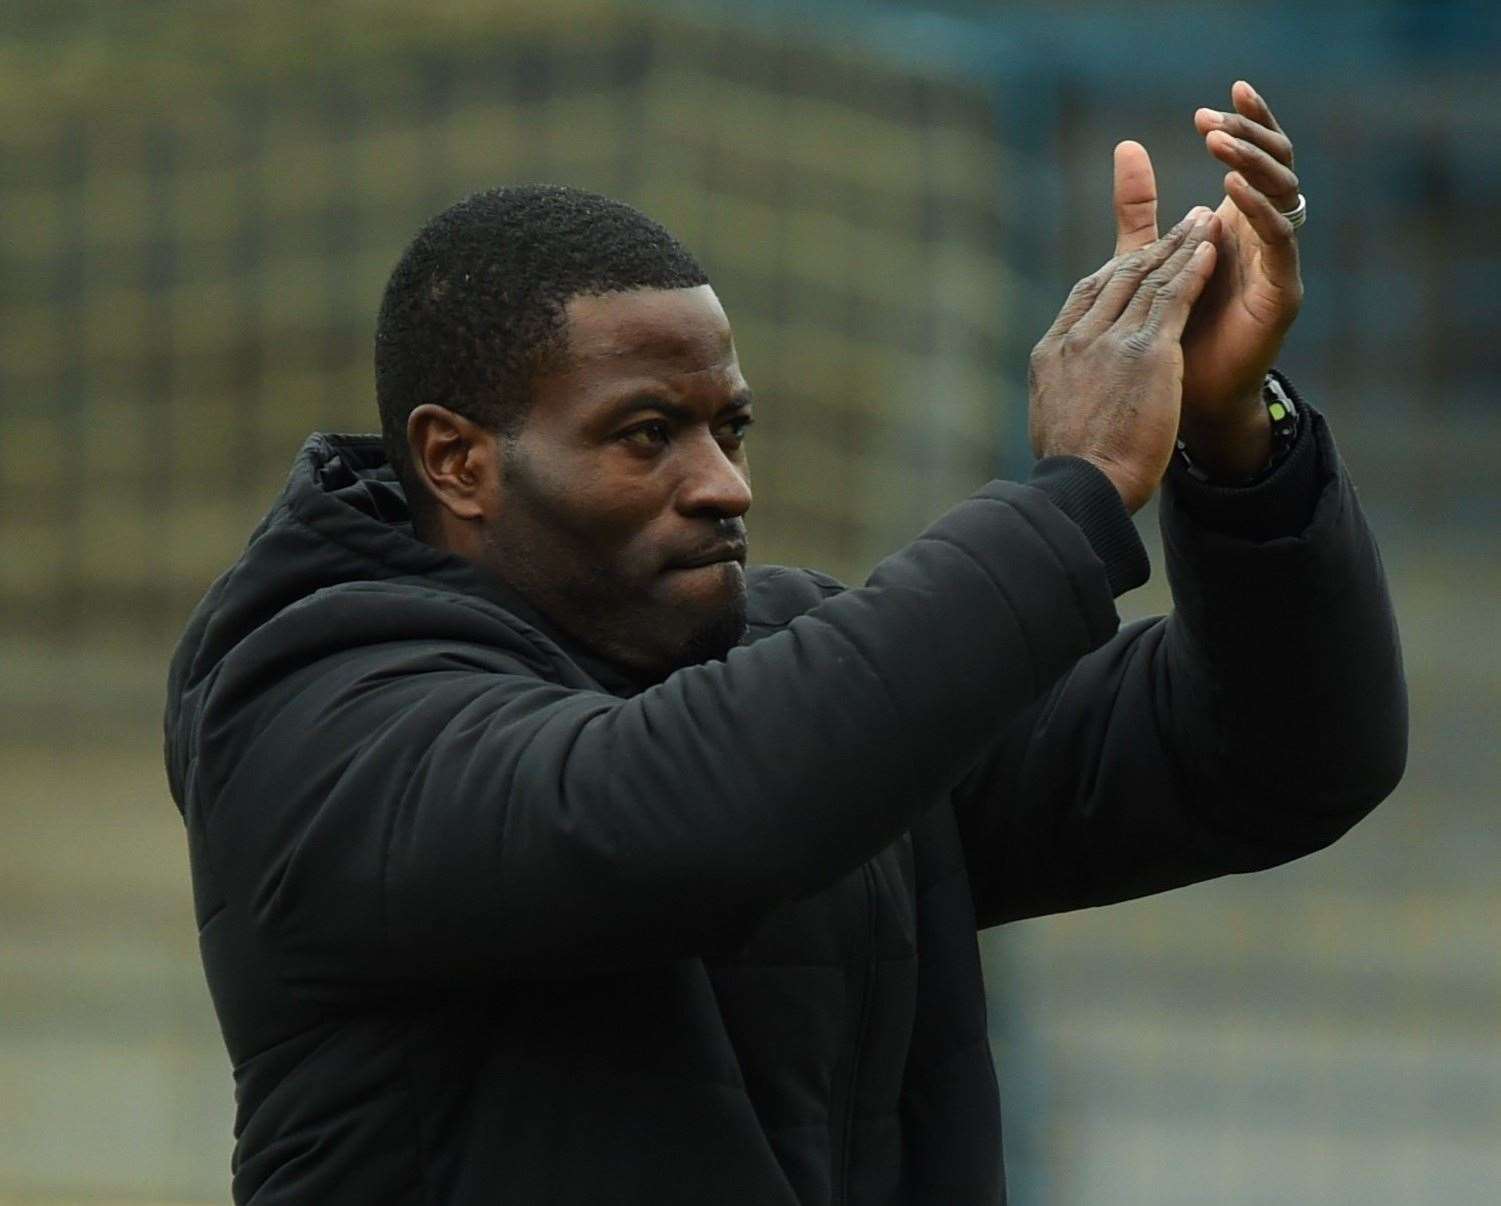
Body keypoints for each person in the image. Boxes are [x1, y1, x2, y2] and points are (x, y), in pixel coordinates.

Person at [165, 82, 1406, 1204]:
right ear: (458, 460)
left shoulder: (794, 675)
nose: (723, 485)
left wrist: (1233, 439)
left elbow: (1280, 759)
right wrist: (1072, 495)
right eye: (647, 433)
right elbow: (675, 818)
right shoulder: (314, 711)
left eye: (730, 428)